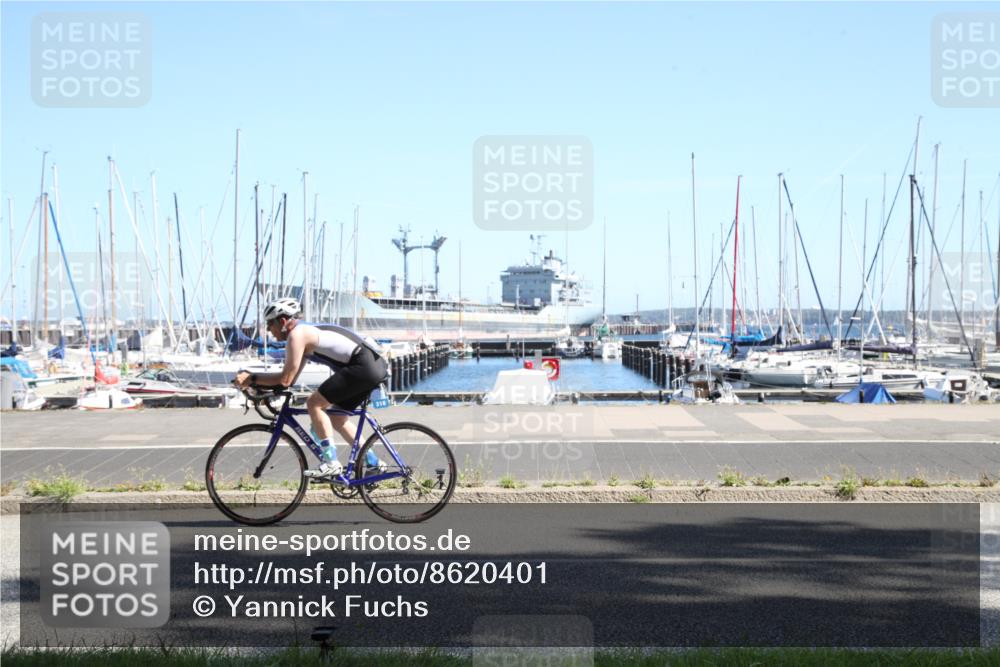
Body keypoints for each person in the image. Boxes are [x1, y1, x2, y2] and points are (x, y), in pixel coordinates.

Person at [234, 297, 388, 479]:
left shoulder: (297, 335)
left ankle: (331, 463)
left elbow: (284, 379)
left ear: (282, 321)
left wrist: (251, 378)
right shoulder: (305, 335)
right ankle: (373, 463)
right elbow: (289, 380)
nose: (268, 330)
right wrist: (259, 385)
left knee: (314, 403)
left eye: (270, 324)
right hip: (371, 365)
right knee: (337, 419)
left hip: (363, 365)